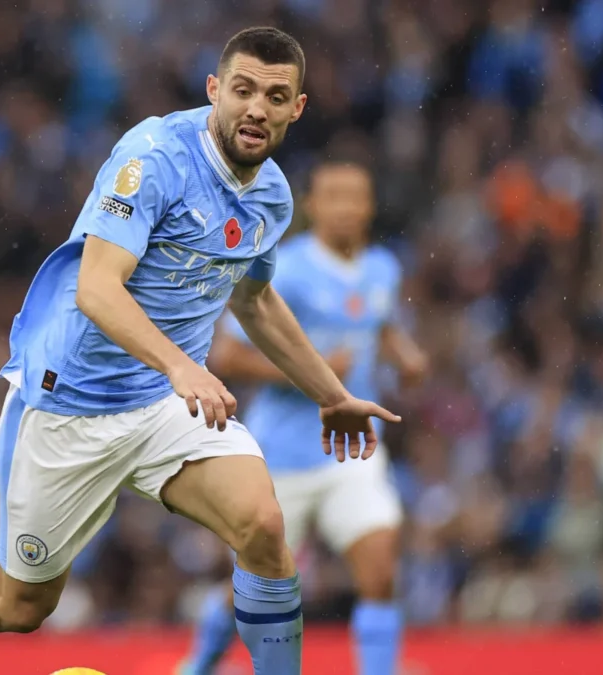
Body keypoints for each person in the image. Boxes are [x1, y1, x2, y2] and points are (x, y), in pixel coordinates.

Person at [0, 27, 402, 675]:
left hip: (165, 405)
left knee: (264, 528)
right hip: (70, 404)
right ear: (214, 90)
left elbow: (256, 302)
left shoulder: (271, 195)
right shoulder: (153, 157)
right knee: (21, 605)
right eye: (242, 90)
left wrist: (331, 393)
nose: (256, 109)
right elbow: (97, 288)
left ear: (296, 108)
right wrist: (182, 365)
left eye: (275, 97)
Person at [180, 160, 427, 675]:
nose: (344, 208)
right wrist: (311, 374)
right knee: (255, 586)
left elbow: (377, 324)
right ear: (311, 206)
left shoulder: (382, 268)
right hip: (283, 457)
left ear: (369, 207)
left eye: (354, 197)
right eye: (333, 196)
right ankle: (199, 664)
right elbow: (227, 355)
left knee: (380, 570)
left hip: (353, 452)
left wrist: (404, 356)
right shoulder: (286, 269)